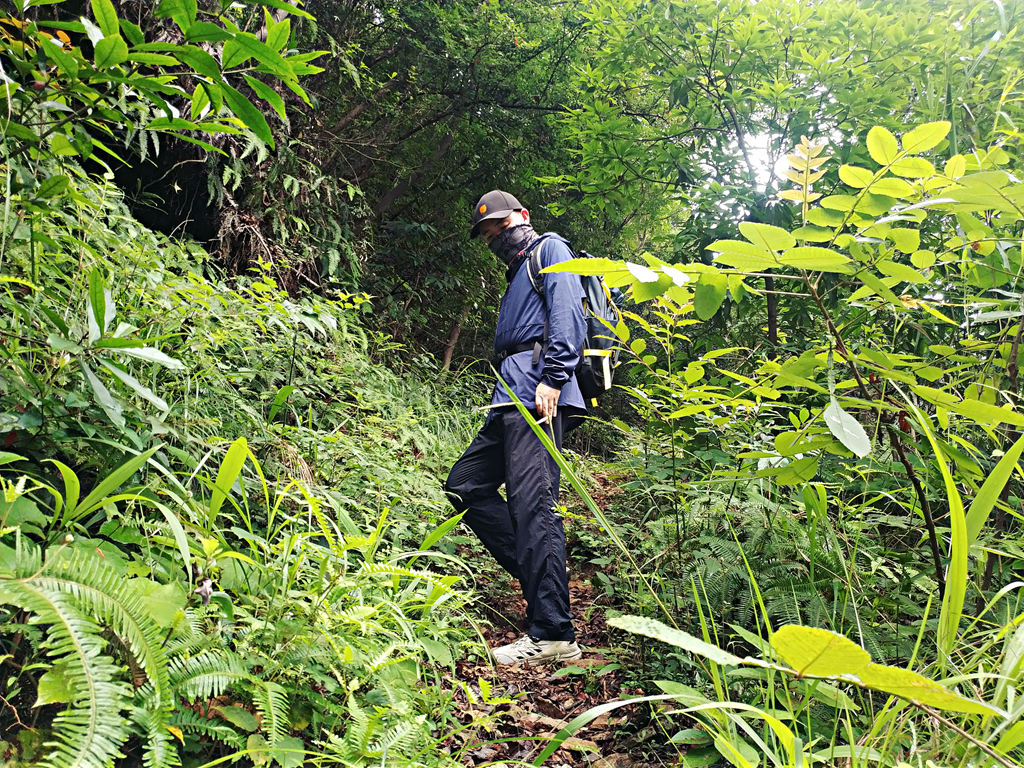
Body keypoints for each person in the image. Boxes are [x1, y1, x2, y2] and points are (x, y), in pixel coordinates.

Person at [444, 189, 587, 666]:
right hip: (508, 398)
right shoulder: (516, 274)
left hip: (538, 397)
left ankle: (553, 633)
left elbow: (569, 314)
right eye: (489, 236)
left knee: (534, 508)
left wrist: (553, 377)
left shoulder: (551, 250)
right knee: (465, 485)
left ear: (522, 217)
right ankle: (541, 582)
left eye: (501, 228)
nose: (497, 238)